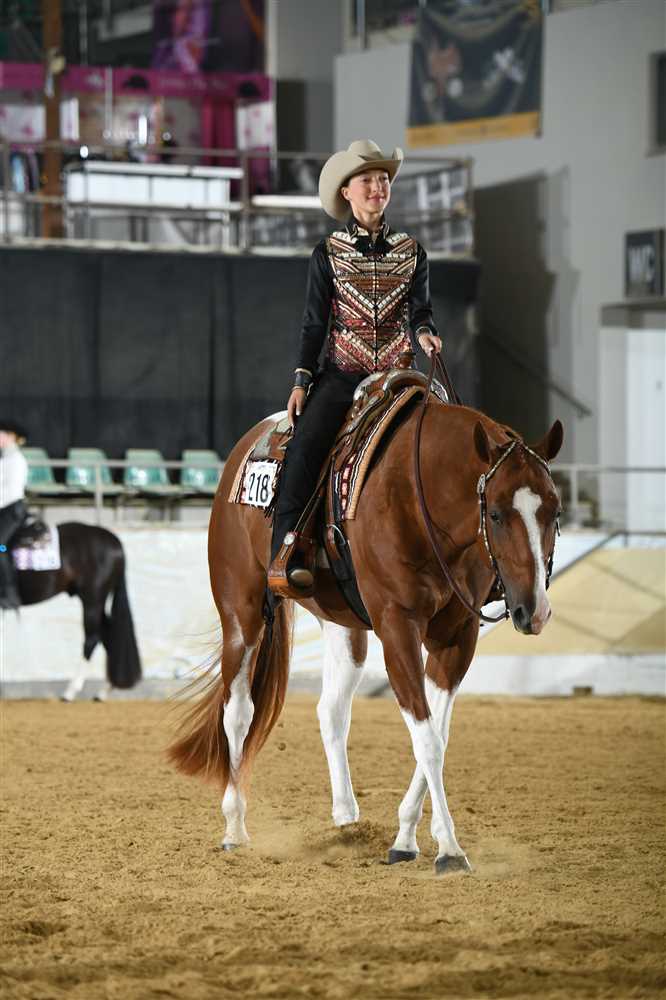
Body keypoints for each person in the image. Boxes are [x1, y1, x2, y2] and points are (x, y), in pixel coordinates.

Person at [268, 139, 442, 591]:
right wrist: (302, 380)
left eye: (383, 179)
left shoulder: (413, 251)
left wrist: (425, 332)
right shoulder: (327, 253)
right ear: (347, 192)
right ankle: (285, 552)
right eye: (368, 180)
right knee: (304, 449)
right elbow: (314, 324)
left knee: (447, 438)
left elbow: (420, 310)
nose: (378, 187)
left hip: (399, 376)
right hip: (344, 375)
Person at [0, 420, 28, 610]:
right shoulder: (3, 459)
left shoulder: (17, 460)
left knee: (0, 546)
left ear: (11, 437)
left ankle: (10, 594)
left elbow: (12, 492)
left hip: (12, 510)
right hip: (3, 509)